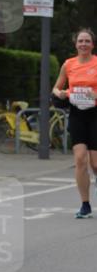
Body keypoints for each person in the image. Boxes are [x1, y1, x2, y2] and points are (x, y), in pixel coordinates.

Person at [52, 27, 97, 218]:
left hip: (96, 114)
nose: (84, 44)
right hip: (77, 114)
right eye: (81, 41)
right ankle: (85, 205)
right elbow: (56, 87)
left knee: (95, 164)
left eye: (87, 41)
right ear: (76, 44)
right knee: (80, 159)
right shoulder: (68, 64)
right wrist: (60, 93)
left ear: (92, 45)